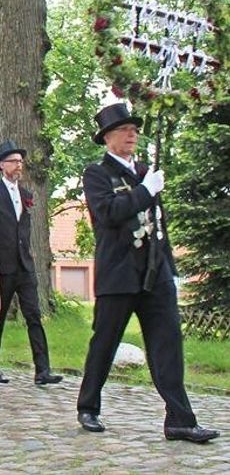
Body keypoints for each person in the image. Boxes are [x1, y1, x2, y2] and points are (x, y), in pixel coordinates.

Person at [76, 104, 219, 443]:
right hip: (119, 274)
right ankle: (88, 406)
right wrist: (145, 191)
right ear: (108, 137)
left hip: (154, 273)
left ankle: (180, 420)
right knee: (105, 342)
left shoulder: (143, 171)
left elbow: (159, 227)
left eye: (134, 130)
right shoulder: (97, 174)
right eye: (124, 130)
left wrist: (169, 267)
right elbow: (109, 213)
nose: (132, 134)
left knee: (167, 344)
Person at [0, 140, 62, 386]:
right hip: (1, 266)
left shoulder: (26, 194)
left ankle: (42, 370)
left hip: (25, 265)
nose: (18, 165)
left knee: (33, 315)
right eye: (13, 161)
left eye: (20, 161)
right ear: (2, 165)